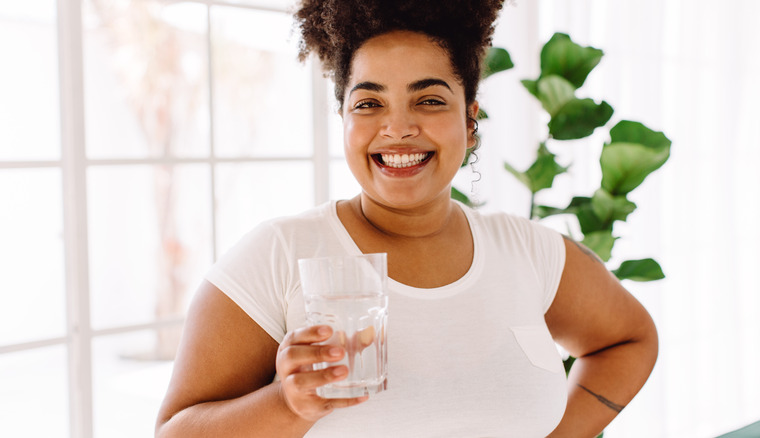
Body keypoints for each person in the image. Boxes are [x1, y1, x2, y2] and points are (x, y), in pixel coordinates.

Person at [155, 1, 658, 436]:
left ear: (470, 118)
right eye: (370, 102)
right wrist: (286, 405)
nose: (397, 128)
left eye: (430, 99)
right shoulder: (281, 254)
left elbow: (630, 341)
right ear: (345, 120)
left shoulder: (528, 251)